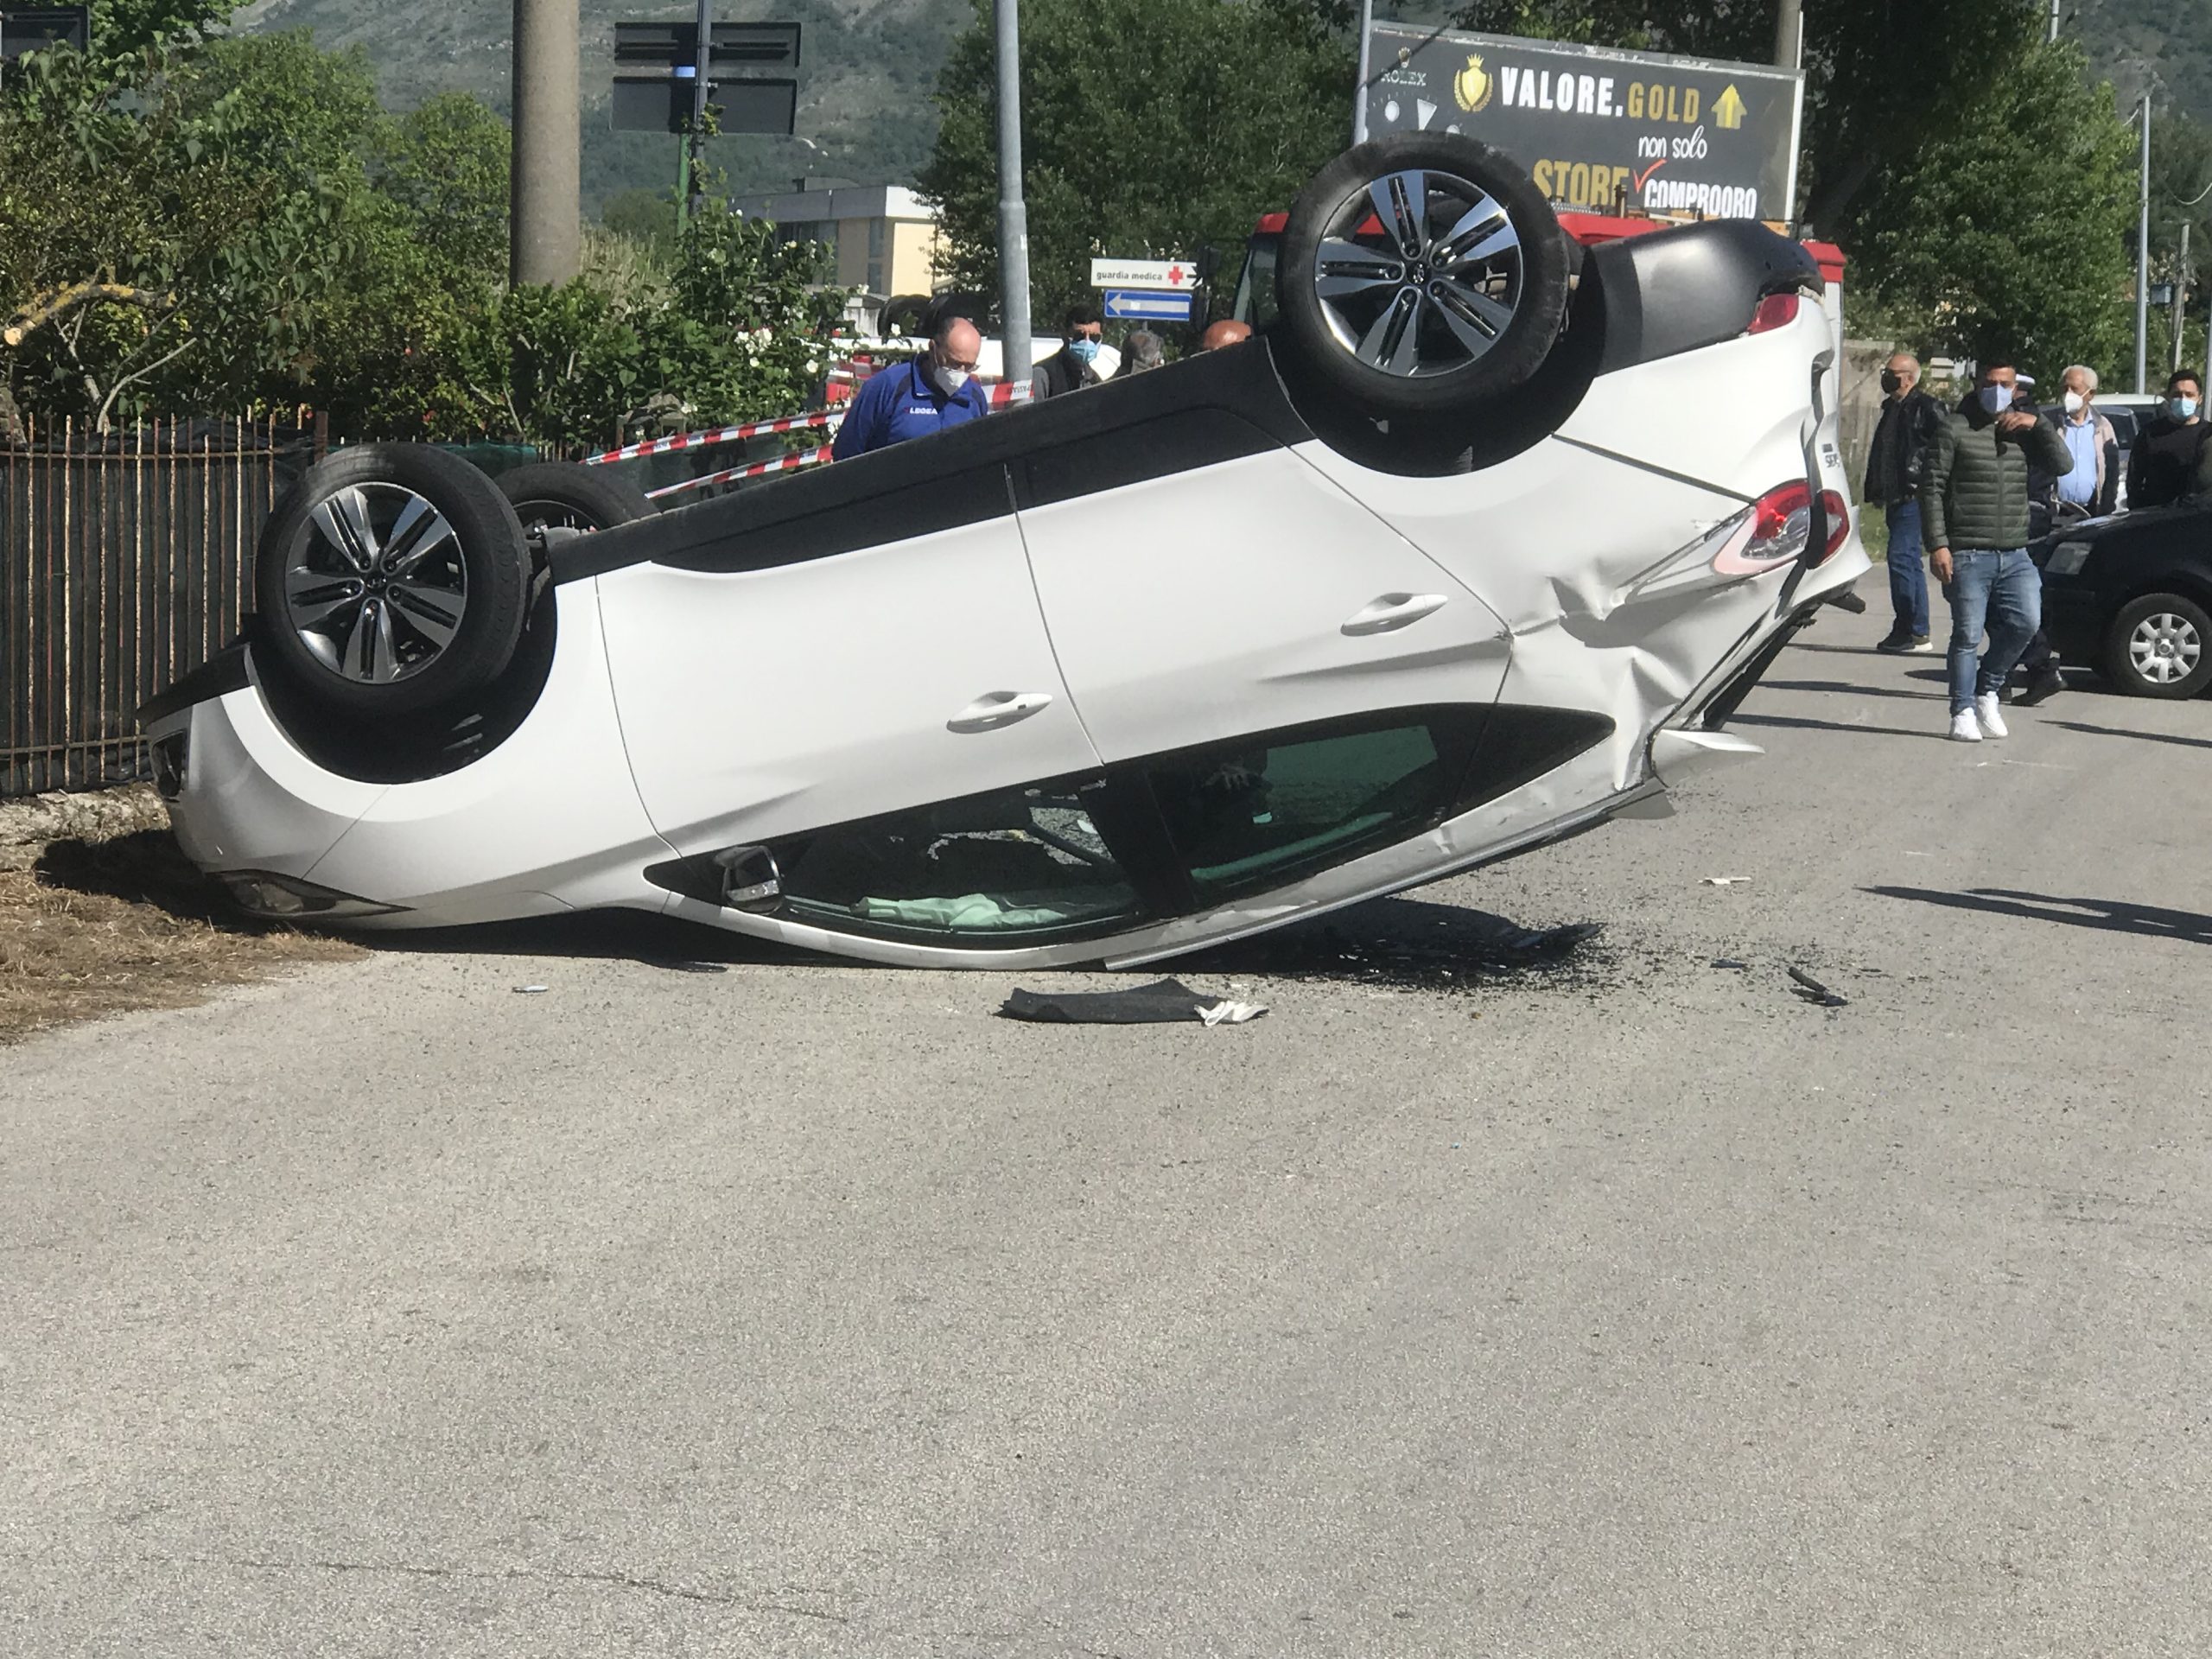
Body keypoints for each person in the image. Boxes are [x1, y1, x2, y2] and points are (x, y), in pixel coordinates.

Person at [1922, 356, 2074, 743]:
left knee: (2027, 622)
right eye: (1990, 383)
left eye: (2005, 384)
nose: (1997, 392)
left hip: (2015, 551)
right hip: (1968, 552)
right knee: (1967, 635)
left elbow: (2064, 464)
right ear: (1976, 383)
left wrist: (2038, 424)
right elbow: (1932, 488)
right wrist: (1938, 545)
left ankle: (1987, 689)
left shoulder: (2023, 430)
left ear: (2015, 388)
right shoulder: (1953, 428)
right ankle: (1962, 711)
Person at [1860, 352, 1944, 653]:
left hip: (1915, 496)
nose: (1887, 377)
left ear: (1909, 377)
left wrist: (1932, 487)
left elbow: (1944, 449)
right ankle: (1910, 627)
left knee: (1901, 557)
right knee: (1905, 560)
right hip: (1896, 497)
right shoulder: (1891, 408)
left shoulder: (1926, 407)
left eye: (1892, 372)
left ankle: (1914, 629)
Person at [830, 315, 987, 461]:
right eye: (954, 363)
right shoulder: (888, 386)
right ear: (932, 348)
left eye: (969, 367)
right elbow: (846, 453)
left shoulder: (974, 397)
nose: (960, 373)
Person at [2124, 368, 2212, 509]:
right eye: (2177, 394)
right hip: (2155, 517)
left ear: (2199, 399)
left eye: (2189, 395)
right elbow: (2135, 477)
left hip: (2196, 519)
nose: (2183, 399)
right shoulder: (2150, 433)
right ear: (2168, 397)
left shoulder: (2207, 435)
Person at [1031, 302, 1105, 400]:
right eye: (1079, 336)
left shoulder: (1094, 380)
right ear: (1064, 335)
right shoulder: (1042, 375)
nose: (1087, 342)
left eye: (1094, 337)